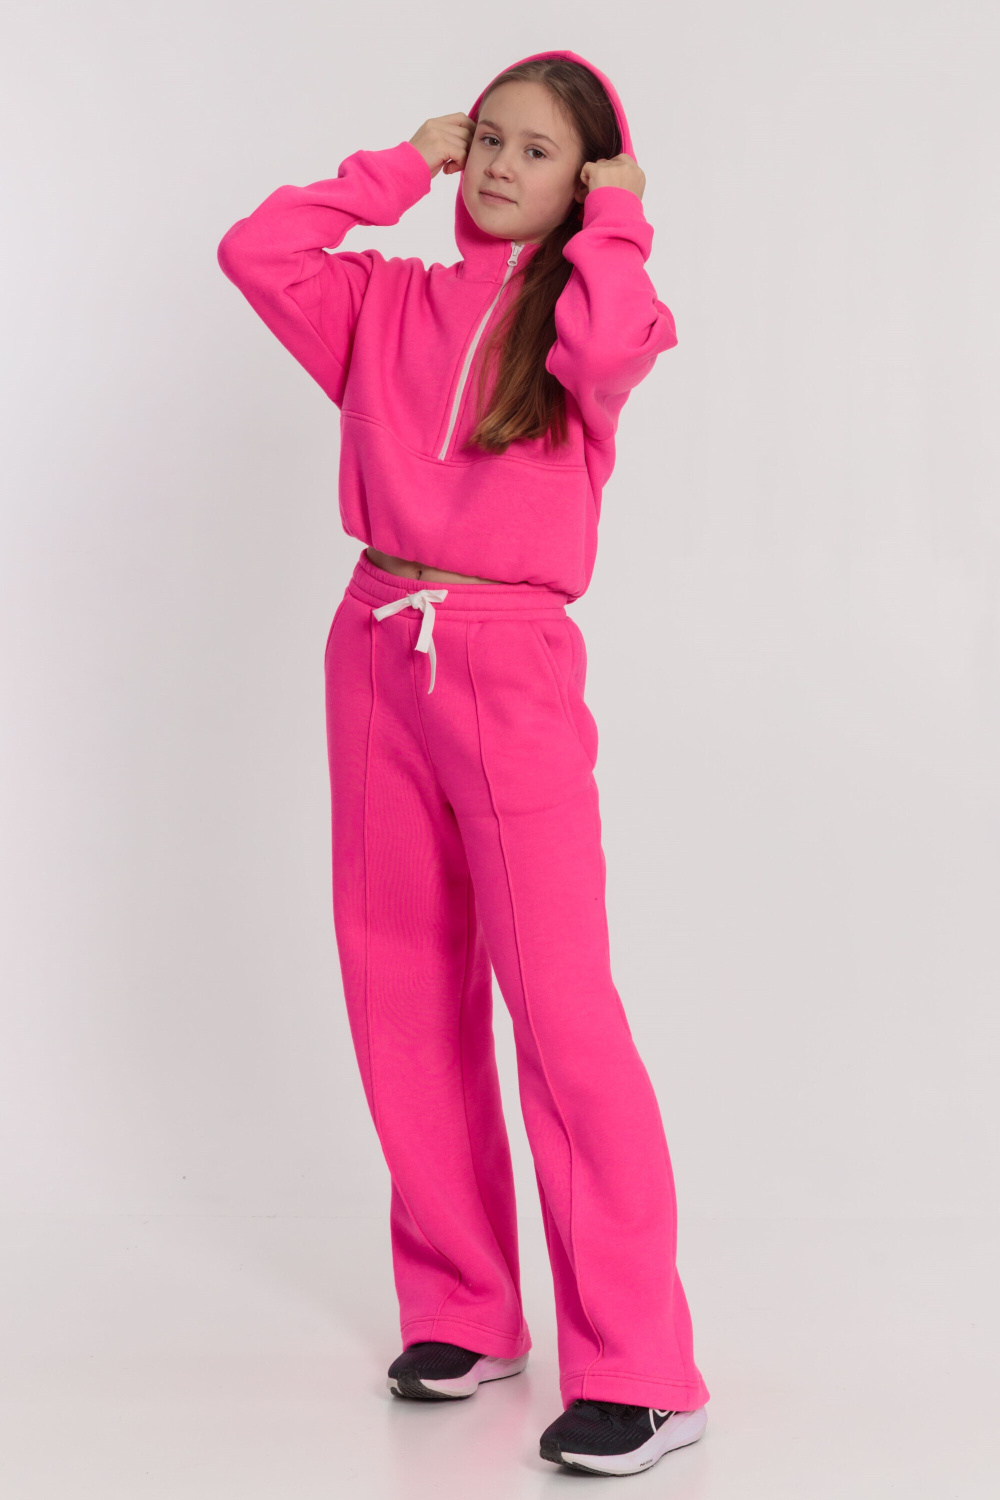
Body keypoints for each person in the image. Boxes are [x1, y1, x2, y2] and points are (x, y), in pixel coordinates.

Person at [217, 47, 710, 1478]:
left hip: (506, 657)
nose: (499, 165)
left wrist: (618, 216)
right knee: (402, 989)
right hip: (375, 634)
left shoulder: (593, 319)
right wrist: (400, 163)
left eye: (536, 151)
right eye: (488, 138)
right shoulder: (387, 301)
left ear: (585, 179)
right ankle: (464, 1311)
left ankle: (642, 1368)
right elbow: (257, 250)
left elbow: (612, 345)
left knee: (559, 1009)